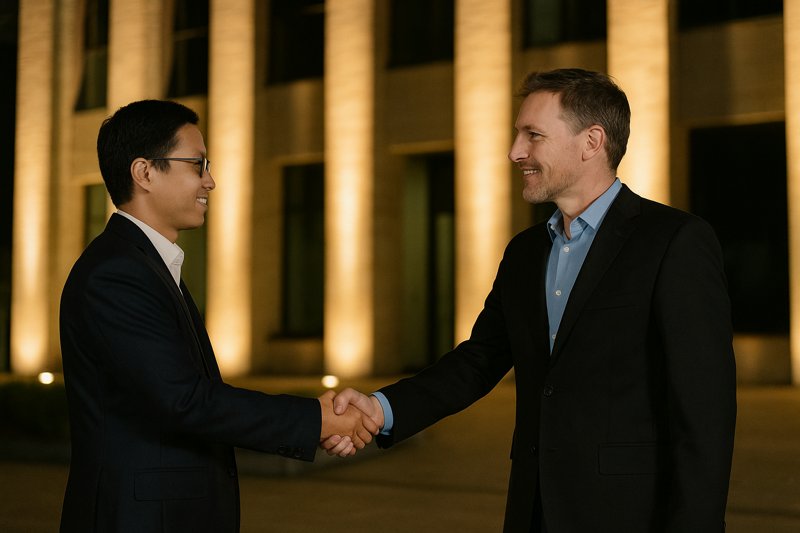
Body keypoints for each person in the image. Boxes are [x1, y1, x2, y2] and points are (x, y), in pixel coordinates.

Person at [324, 68, 737, 532]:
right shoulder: (524, 252)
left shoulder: (675, 243)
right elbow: (478, 361)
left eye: (533, 135)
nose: (515, 151)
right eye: (518, 134)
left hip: (630, 515)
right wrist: (381, 409)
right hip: (533, 510)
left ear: (592, 141)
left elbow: (704, 417)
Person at [59, 99, 376, 533]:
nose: (210, 180)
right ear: (144, 172)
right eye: (197, 164)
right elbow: (185, 401)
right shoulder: (116, 274)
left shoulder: (147, 265)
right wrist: (317, 419)